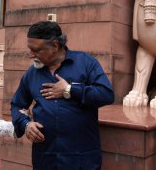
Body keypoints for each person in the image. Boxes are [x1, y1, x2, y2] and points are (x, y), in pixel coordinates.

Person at [11, 21, 115, 170]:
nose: (30, 54)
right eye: (29, 49)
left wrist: (70, 89)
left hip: (81, 160)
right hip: (45, 159)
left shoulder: (85, 63)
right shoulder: (31, 74)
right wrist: (26, 124)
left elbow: (106, 94)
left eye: (36, 50)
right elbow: (17, 105)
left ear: (54, 45)